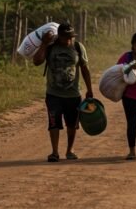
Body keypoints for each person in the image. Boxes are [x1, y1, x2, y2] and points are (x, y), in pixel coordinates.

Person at [33, 23, 93, 163]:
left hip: (73, 94)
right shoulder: (50, 47)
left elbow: (84, 69)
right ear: (58, 36)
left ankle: (70, 150)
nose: (68, 40)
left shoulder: (78, 47)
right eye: (65, 37)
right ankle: (54, 152)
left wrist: (89, 89)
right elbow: (37, 61)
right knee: (54, 123)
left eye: (70, 37)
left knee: (72, 124)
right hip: (53, 93)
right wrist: (44, 43)